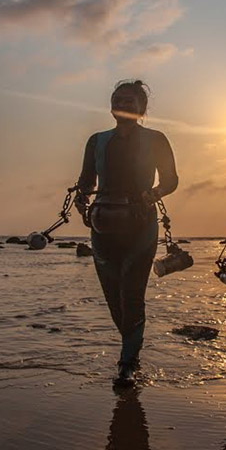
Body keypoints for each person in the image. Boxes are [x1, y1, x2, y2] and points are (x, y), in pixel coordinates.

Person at [75, 80, 178, 387]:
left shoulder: (157, 139)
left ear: (142, 108)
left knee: (132, 294)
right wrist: (82, 203)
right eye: (118, 99)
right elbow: (84, 180)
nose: (124, 104)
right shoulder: (97, 141)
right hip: (102, 225)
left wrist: (152, 195)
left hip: (140, 225)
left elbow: (172, 180)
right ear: (111, 105)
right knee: (114, 299)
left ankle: (127, 363)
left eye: (131, 101)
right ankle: (131, 348)